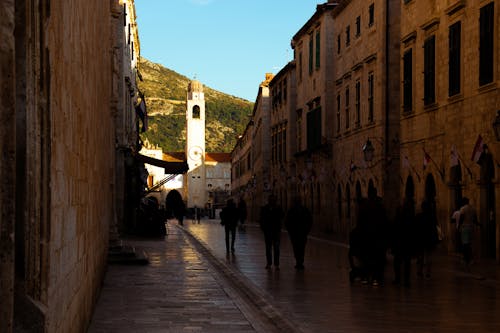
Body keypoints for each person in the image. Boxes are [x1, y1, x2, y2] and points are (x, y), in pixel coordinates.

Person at [391, 197, 417, 288]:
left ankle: (398, 278)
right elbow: (414, 230)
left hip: (399, 242)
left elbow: (394, 228)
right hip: (407, 242)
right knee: (407, 262)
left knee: (397, 261)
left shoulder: (399, 215)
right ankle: (406, 280)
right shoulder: (411, 216)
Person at [285, 196, 312, 270]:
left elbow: (309, 221)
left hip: (298, 233)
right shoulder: (303, 210)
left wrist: (290, 231)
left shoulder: (292, 210)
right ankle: (299, 261)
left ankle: (299, 261)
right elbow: (309, 221)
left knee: (297, 248)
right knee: (300, 248)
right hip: (299, 233)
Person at [415, 200, 439, 279]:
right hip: (429, 238)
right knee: (429, 256)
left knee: (420, 256)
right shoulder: (432, 217)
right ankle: (428, 273)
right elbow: (436, 227)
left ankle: (419, 271)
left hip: (420, 238)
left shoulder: (418, 216)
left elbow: (415, 228)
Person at [259, 194, 284, 270]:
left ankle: (276, 264)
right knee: (268, 248)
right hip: (268, 231)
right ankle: (269, 263)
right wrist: (264, 228)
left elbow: (282, 216)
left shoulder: (278, 208)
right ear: (269, 200)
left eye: (273, 200)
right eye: (271, 200)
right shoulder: (265, 208)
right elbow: (261, 219)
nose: (272, 201)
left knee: (276, 248)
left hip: (276, 231)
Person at [459, 197, 480, 270]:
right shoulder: (473, 209)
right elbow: (475, 220)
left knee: (465, 244)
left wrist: (459, 226)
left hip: (465, 227)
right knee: (470, 244)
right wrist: (479, 224)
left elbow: (461, 218)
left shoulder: (463, 209)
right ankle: (470, 259)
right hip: (471, 228)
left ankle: (466, 259)